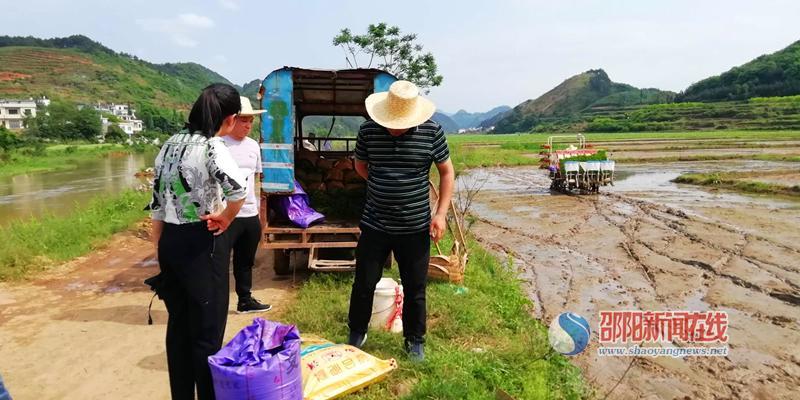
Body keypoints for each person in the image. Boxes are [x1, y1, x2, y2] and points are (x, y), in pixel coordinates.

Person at [148, 83, 247, 400]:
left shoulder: (169, 144)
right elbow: (238, 190)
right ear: (230, 119)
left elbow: (158, 205)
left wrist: (161, 247)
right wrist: (226, 217)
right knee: (206, 333)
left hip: (171, 244)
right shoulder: (211, 146)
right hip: (202, 244)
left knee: (178, 328)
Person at [347, 80, 455, 362]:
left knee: (415, 287)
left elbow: (446, 172)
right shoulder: (369, 130)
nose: (395, 128)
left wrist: (440, 214)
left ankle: (414, 340)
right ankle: (357, 333)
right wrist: (381, 184)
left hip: (416, 226)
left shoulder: (432, 132)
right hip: (375, 224)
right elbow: (360, 164)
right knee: (363, 283)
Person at [221, 97, 271, 313]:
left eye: (251, 121)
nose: (248, 125)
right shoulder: (218, 145)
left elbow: (257, 179)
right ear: (231, 120)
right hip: (225, 213)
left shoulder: (253, 146)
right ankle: (216, 303)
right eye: (243, 121)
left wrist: (261, 214)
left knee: (245, 261)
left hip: (249, 212)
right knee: (220, 262)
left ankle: (245, 300)